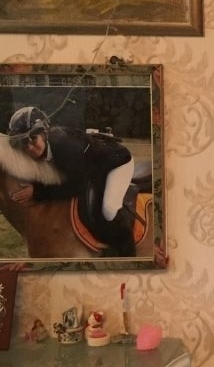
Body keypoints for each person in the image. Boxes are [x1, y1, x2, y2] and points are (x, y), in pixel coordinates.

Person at [7, 106, 136, 256]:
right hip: (90, 167)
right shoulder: (40, 149)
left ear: (44, 133)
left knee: (109, 210)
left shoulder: (63, 145)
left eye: (32, 138)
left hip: (116, 163)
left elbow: (75, 186)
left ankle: (128, 253)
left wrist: (37, 191)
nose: (29, 147)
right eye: (23, 142)